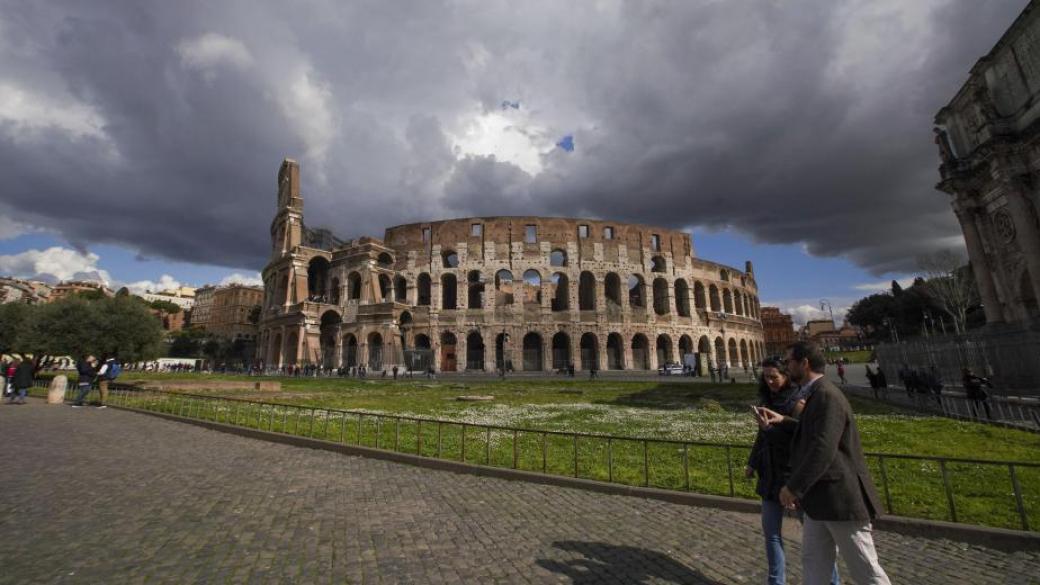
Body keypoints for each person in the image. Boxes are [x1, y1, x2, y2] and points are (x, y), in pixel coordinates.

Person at [757, 342, 890, 585]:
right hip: (818, 501)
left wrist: (793, 487)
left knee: (865, 569)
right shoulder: (816, 394)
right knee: (814, 566)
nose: (787, 366)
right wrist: (784, 421)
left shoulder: (826, 395)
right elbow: (811, 432)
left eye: (789, 362)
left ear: (804, 363)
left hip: (839, 498)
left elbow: (823, 447)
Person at [746, 358, 838, 585]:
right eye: (765, 377)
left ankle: (831, 581)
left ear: (786, 376)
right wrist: (752, 462)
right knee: (771, 535)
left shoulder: (798, 403)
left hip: (794, 478)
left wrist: (769, 429)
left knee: (816, 540)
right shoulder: (769, 400)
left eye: (773, 376)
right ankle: (776, 582)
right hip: (770, 476)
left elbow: (798, 442)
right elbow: (762, 437)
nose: (769, 381)